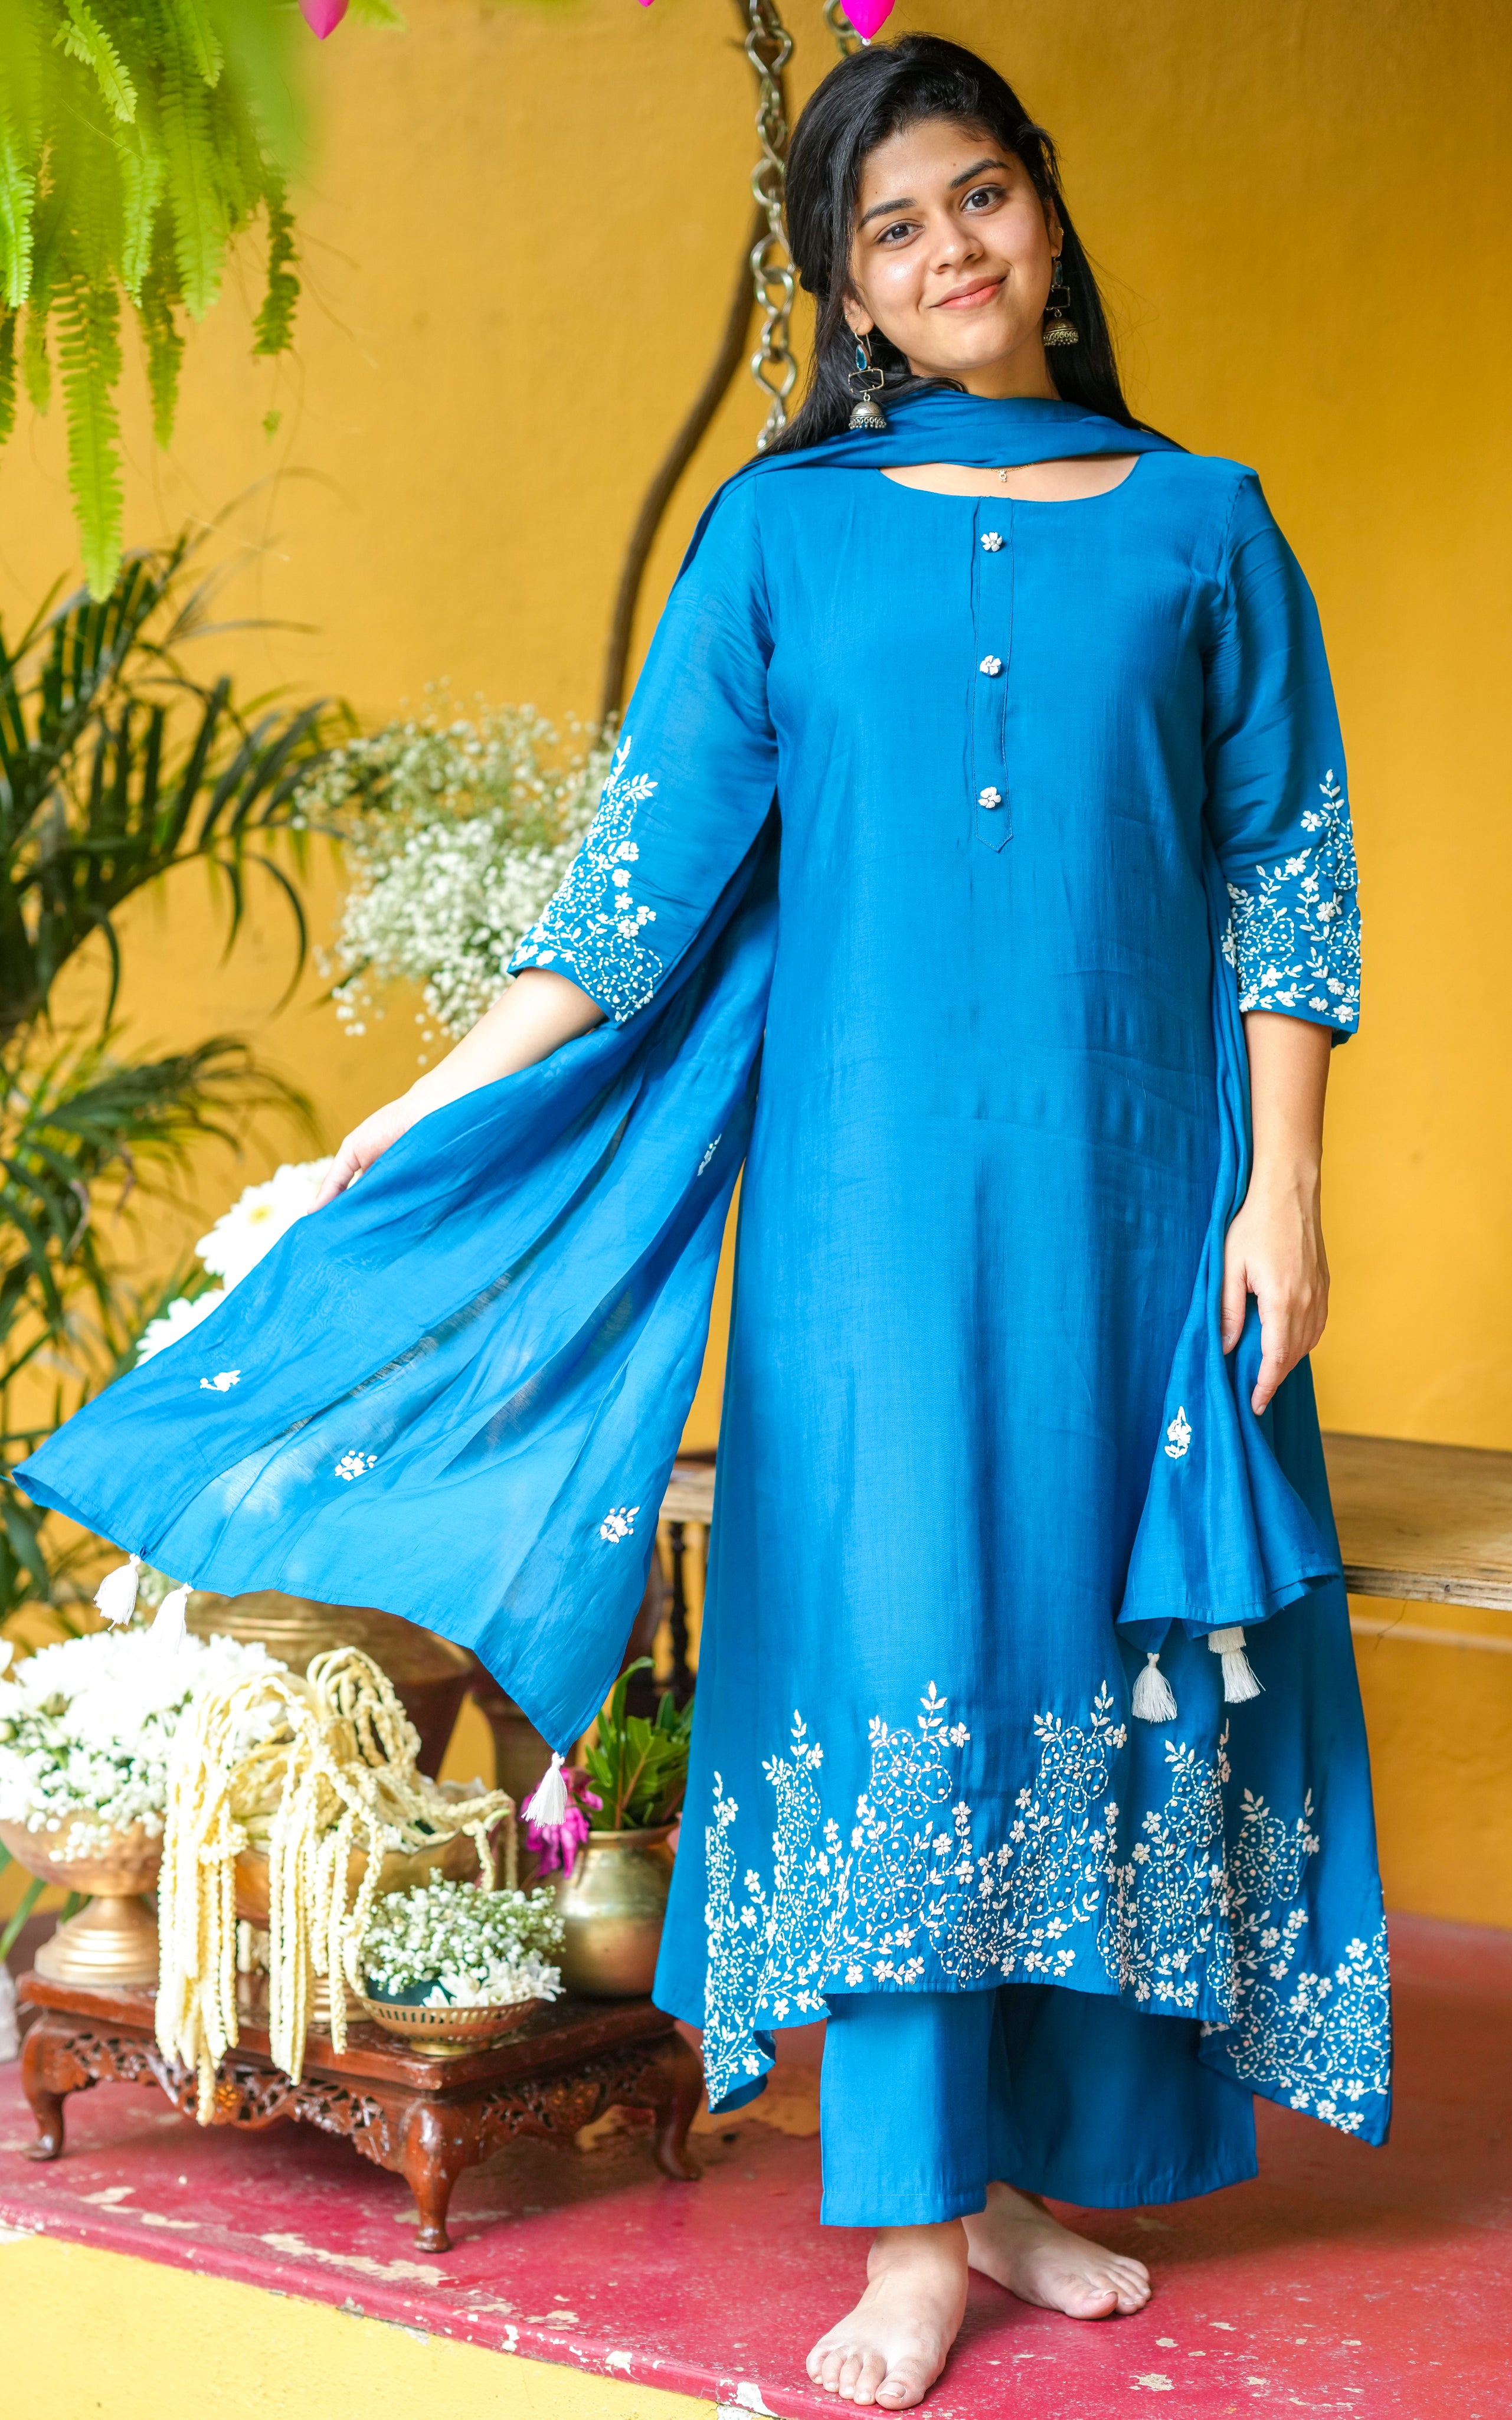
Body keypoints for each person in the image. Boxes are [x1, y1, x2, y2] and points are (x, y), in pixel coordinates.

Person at [19, 35, 1389, 2413]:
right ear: (842, 289)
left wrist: (1280, 1190)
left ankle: (1026, 2174)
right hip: (863, 1230)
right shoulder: (781, 533)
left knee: (1086, 1658)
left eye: (978, 200)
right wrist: (407, 1118)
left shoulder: (1205, 524)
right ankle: (901, 2221)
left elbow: (1286, 878)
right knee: (894, 1651)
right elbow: (626, 903)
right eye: (891, 230)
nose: (948, 254)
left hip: (1138, 1202)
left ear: (1042, 214)